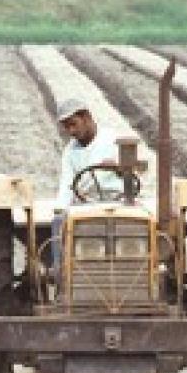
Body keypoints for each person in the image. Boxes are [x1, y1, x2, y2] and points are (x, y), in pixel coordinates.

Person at [50, 97, 121, 273]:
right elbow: (67, 184)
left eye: (73, 124)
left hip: (119, 201)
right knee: (59, 222)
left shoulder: (114, 140)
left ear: (87, 117)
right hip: (86, 204)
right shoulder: (70, 152)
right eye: (66, 127)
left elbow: (138, 169)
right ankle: (62, 276)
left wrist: (119, 168)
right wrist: (61, 209)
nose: (70, 131)